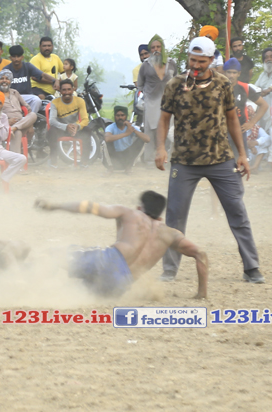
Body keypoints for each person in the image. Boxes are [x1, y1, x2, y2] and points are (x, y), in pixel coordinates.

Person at [155, 36, 262, 284]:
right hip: (184, 160)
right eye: (192, 60)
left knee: (237, 212)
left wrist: (242, 154)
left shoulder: (223, 84)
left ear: (212, 60)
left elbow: (232, 119)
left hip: (220, 158)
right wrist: (160, 148)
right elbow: (164, 119)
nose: (196, 65)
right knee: (175, 216)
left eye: (201, 61)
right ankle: (169, 269)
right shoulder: (174, 84)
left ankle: (252, 267)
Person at [35, 191, 209, 299]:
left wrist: (54, 206)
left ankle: (24, 278)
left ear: (140, 208)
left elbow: (90, 207)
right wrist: (202, 293)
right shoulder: (170, 234)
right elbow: (200, 254)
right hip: (120, 283)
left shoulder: (131, 213)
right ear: (160, 217)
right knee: (74, 293)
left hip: (110, 259)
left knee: (52, 255)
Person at [137, 34, 169, 162]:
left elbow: (176, 82)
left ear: (162, 48)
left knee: (169, 131)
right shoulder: (145, 66)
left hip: (168, 104)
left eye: (158, 47)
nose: (156, 49)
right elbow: (140, 85)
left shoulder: (171, 64)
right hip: (151, 103)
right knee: (151, 132)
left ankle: (168, 158)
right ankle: (149, 160)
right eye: (153, 47)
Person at [46, 79, 91, 167]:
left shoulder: (80, 101)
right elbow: (52, 121)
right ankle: (53, 162)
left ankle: (84, 162)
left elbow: (85, 120)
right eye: (64, 90)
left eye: (69, 89)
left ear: (73, 89)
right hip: (61, 129)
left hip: (75, 129)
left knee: (87, 130)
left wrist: (77, 126)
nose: (67, 92)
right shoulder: (55, 102)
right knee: (51, 132)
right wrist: (66, 126)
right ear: (60, 91)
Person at [0, 68, 39, 153]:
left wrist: (30, 125)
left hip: (20, 123)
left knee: (33, 115)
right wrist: (7, 121)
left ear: (10, 81)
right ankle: (16, 158)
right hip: (5, 126)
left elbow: (27, 107)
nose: (4, 81)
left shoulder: (15, 92)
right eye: (2, 78)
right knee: (17, 132)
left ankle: (14, 129)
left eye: (7, 79)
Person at [223, 57, 268, 135]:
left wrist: (251, 123)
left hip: (240, 129)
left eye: (234, 73)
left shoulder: (244, 87)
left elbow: (264, 105)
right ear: (224, 73)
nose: (231, 75)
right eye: (229, 72)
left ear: (239, 74)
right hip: (221, 130)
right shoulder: (217, 87)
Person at [103, 105, 149, 174]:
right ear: (115, 116)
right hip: (113, 157)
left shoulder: (130, 127)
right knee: (104, 142)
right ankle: (110, 168)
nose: (120, 117)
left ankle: (129, 167)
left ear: (126, 116)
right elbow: (107, 138)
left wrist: (133, 130)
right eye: (118, 115)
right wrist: (126, 134)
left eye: (122, 115)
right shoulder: (111, 127)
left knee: (142, 140)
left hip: (126, 158)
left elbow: (147, 139)